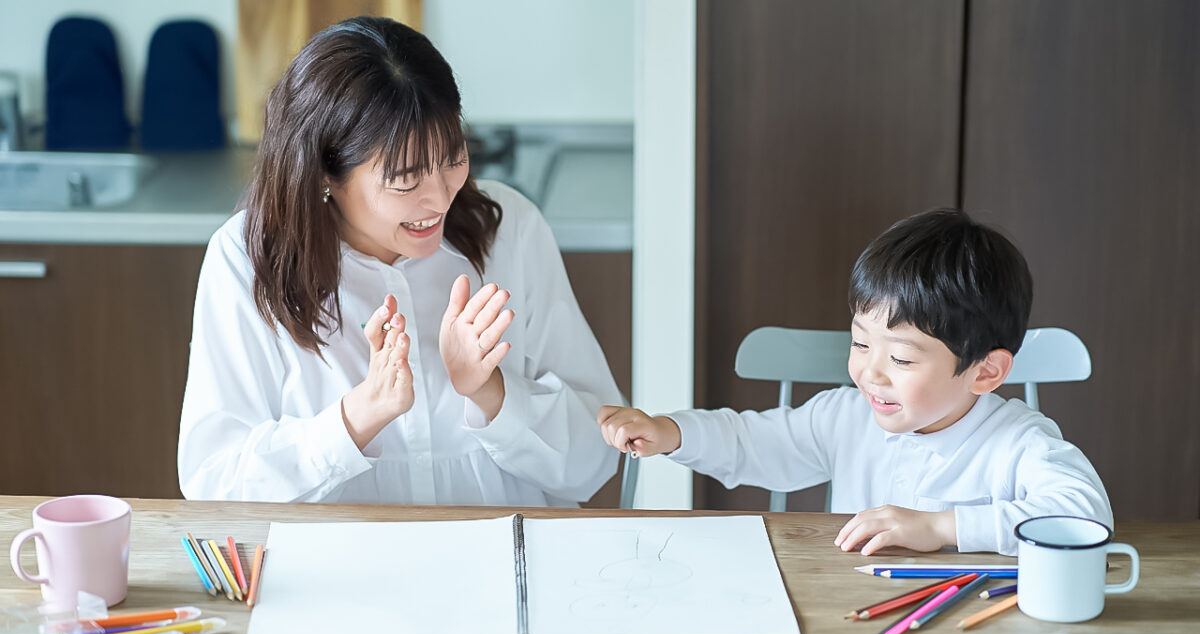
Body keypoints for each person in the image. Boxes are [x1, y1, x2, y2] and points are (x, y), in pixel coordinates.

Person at [178, 16, 621, 505]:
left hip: (506, 563)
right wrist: (359, 415)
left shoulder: (509, 229)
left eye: (453, 158)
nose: (438, 199)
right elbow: (214, 484)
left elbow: (596, 461)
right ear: (325, 172)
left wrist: (491, 392)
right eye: (406, 179)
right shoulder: (246, 258)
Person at [598, 209, 1111, 556]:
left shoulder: (1015, 441)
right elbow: (753, 442)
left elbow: (1085, 513)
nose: (870, 372)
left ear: (986, 372)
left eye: (902, 359)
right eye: (861, 343)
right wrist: (671, 433)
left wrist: (939, 528)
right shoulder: (846, 417)